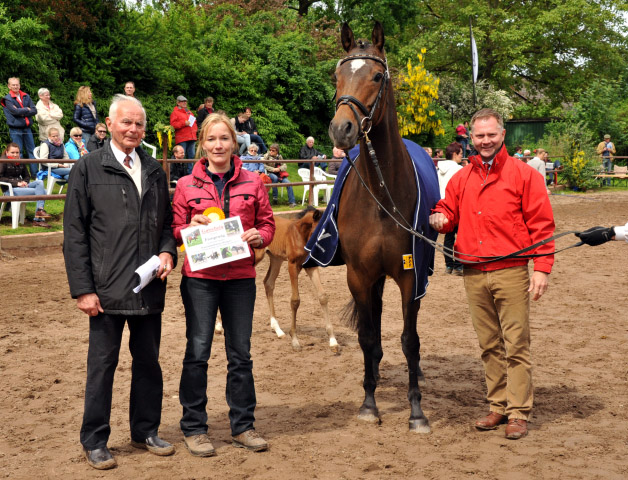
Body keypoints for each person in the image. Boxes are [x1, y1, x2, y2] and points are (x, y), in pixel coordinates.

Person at [63, 94, 177, 470]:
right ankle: (95, 439)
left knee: (148, 363)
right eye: (126, 122)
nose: (133, 129)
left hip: (148, 287)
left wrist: (167, 252)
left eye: (139, 124)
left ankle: (145, 429)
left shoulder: (155, 169)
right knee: (102, 366)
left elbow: (165, 224)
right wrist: (82, 289)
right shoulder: (88, 168)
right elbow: (75, 232)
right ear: (109, 124)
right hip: (105, 289)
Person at [429, 108, 555, 440]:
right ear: (471, 138)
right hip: (473, 272)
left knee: (516, 344)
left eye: (491, 134)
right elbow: (448, 210)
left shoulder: (525, 175)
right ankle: (497, 406)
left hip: (512, 271)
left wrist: (541, 269)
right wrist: (440, 217)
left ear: (502, 135)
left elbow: (542, 226)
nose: (485, 141)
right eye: (479, 135)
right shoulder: (461, 179)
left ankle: (518, 412)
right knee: (489, 345)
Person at [172, 113, 275, 456]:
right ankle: (194, 428)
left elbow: (268, 223)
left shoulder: (254, 182)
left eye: (224, 139)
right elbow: (173, 229)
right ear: (202, 144)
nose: (218, 145)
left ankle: (243, 426)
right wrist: (189, 225)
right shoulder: (187, 185)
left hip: (240, 279)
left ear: (234, 143)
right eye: (212, 139)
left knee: (240, 354)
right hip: (200, 280)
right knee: (198, 352)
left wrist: (261, 236)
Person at [0, 143, 50, 226]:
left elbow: (27, 175)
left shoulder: (20, 160)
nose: (15, 155)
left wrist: (25, 182)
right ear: (7, 153)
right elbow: (0, 177)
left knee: (40, 182)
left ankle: (39, 211)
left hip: (22, 187)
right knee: (43, 192)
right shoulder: (3, 161)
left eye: (17, 152)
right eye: (12, 152)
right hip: (10, 190)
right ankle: (38, 219)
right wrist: (16, 183)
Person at [436, 142, 464, 275]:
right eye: (461, 154)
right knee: (460, 236)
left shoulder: (438, 169)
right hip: (456, 205)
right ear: (454, 154)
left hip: (443, 205)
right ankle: (458, 266)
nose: (462, 157)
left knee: (449, 237)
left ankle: (449, 265)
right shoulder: (459, 169)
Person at [1, 77, 38, 176]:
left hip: (27, 128)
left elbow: (34, 110)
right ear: (9, 86)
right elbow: (14, 112)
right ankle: (19, 175)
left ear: (19, 85)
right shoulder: (7, 99)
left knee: (32, 151)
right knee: (18, 152)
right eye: (13, 85)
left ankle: (35, 174)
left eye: (17, 84)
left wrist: (22, 111)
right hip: (15, 128)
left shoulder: (26, 96)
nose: (15, 86)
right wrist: (27, 109)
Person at [169, 95, 198, 173]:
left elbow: (194, 123)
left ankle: (190, 174)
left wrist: (195, 131)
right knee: (181, 156)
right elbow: (173, 125)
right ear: (178, 103)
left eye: (185, 101)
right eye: (182, 101)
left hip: (191, 137)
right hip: (182, 138)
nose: (185, 103)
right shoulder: (175, 113)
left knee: (191, 156)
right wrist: (183, 123)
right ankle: (180, 174)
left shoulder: (189, 112)